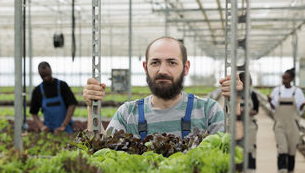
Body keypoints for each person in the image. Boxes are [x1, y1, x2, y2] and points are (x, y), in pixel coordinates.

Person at [83, 36, 243, 138]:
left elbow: (231, 149)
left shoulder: (208, 110)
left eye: (172, 63)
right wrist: (93, 109)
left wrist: (234, 104)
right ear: (145, 67)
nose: (163, 70)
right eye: (155, 62)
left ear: (186, 68)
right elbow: (103, 152)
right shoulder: (127, 114)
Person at [268, 68, 305, 173]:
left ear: (292, 79)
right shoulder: (277, 91)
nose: (284, 80)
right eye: (283, 77)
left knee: (291, 152)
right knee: (282, 150)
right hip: (280, 125)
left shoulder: (297, 92)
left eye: (286, 78)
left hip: (293, 125)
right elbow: (273, 109)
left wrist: (304, 104)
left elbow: (299, 109)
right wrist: (270, 101)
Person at [30, 61, 78, 133]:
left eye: (47, 75)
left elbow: (72, 105)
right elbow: (34, 112)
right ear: (39, 74)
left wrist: (63, 125)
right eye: (43, 76)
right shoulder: (37, 91)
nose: (46, 78)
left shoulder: (62, 85)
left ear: (51, 70)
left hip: (66, 129)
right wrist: (42, 126)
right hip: (49, 131)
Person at [238, 72, 259, 173]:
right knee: (238, 151)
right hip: (237, 126)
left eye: (250, 79)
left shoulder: (253, 95)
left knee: (251, 151)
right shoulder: (234, 94)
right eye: (246, 79)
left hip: (250, 126)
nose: (249, 81)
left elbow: (256, 109)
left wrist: (251, 112)